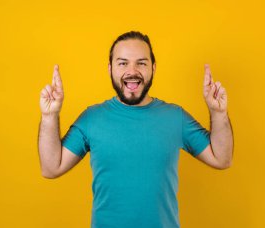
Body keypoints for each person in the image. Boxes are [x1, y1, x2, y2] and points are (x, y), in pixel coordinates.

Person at [38, 31, 233, 228]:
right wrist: (49, 116)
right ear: (110, 69)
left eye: (141, 63)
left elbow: (221, 158)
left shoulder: (175, 117)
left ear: (153, 68)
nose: (132, 71)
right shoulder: (92, 118)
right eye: (123, 63)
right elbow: (51, 167)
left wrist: (218, 112)